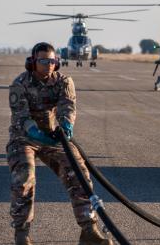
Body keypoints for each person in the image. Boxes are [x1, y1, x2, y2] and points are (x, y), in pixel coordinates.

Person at [7, 42, 113, 245]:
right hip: (23, 138)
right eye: (43, 61)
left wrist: (66, 125)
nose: (49, 65)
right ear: (32, 62)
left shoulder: (63, 81)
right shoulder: (20, 83)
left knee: (79, 172)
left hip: (54, 137)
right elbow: (21, 116)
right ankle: (21, 234)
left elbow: (67, 106)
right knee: (24, 176)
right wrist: (35, 132)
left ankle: (89, 231)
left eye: (52, 61)